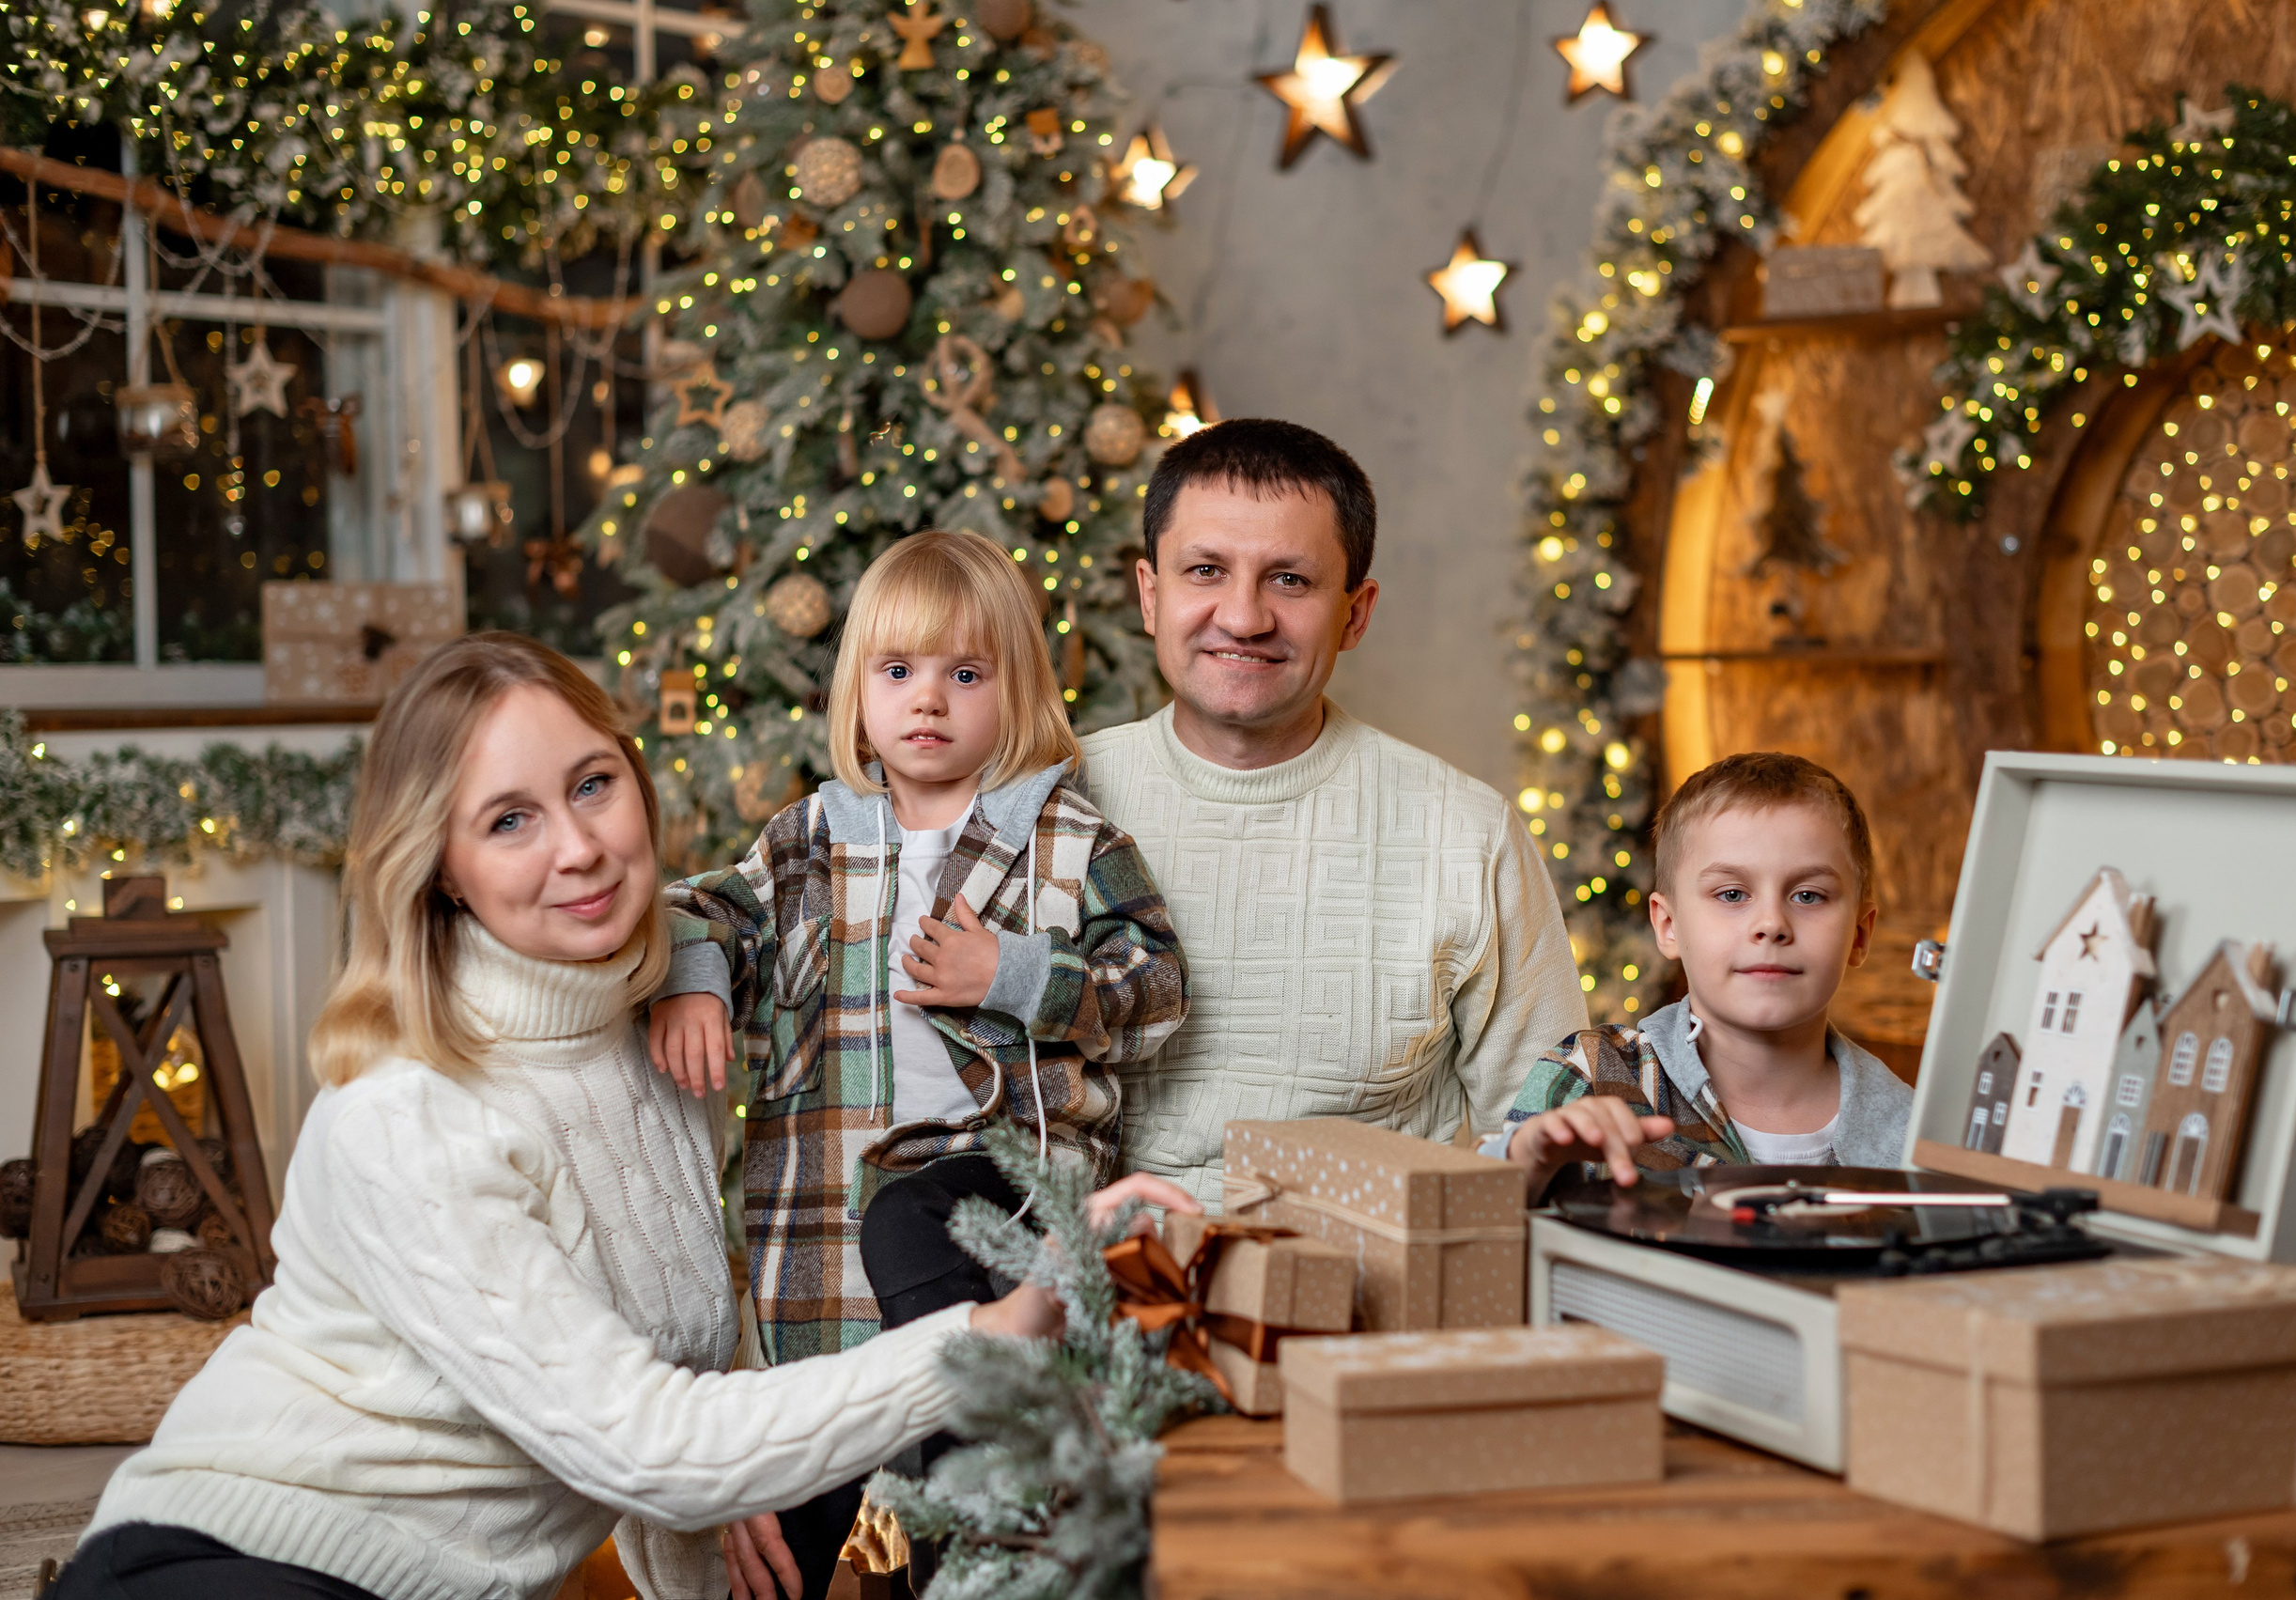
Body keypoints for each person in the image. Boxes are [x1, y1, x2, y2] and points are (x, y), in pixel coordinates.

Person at [55, 633, 1116, 1600]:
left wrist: (731, 1472)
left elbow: (645, 1356)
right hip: (243, 1559)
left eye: (593, 784)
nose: (579, 847)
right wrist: (989, 1332)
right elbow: (644, 1439)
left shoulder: (651, 1033)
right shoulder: (404, 1113)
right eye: (509, 819)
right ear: (443, 874)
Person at [646, 530, 1194, 1598]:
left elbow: (1158, 991)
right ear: (858, 691)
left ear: (1017, 688)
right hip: (823, 1259)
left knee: (959, 1487)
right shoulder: (809, 841)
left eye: (965, 672)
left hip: (996, 1216)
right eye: (897, 671)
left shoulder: (1069, 841)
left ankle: (982, 1538)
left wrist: (1022, 973)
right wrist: (699, 977)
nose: (927, 700)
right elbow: (698, 910)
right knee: (799, 1528)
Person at [1078, 417, 1589, 1205]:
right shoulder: (1049, 804)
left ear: (1355, 613)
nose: (1244, 617)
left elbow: (1548, 1129)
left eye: (1291, 580)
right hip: (1083, 1284)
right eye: (1206, 569)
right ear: (1151, 594)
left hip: (1368, 1293)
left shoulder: (1466, 832)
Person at [1497, 752, 1914, 1204]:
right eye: (1732, 894)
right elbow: (1478, 1231)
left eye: (1808, 895)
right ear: (1669, 926)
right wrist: (1526, 1166)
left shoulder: (1917, 1130)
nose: (1771, 923)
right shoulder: (1595, 1077)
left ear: (1859, 934)